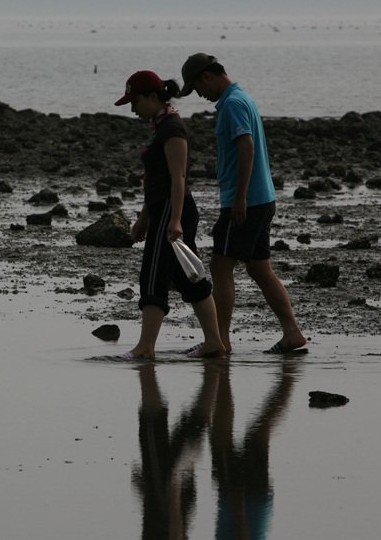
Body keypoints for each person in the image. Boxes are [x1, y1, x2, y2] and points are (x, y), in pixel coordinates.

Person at [179, 53, 306, 354]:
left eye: (197, 88)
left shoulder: (233, 104)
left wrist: (240, 198)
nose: (200, 95)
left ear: (207, 76)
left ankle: (219, 341)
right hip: (262, 199)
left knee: (220, 266)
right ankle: (292, 333)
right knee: (260, 269)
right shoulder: (241, 97)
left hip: (246, 202)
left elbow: (246, 148)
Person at [113, 70, 226, 360]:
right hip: (163, 209)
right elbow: (156, 181)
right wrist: (143, 218)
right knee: (188, 275)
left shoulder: (173, 129)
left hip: (172, 210)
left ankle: (145, 347)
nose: (133, 109)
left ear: (152, 97)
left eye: (135, 102)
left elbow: (178, 179)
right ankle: (214, 342)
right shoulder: (161, 125)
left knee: (153, 275)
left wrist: (174, 220)